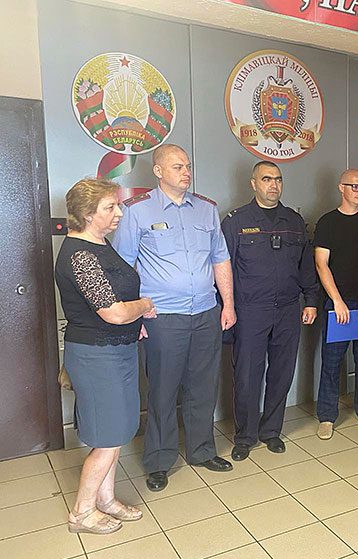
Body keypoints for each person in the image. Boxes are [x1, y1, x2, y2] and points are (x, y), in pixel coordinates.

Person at [113, 144, 236, 492]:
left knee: (203, 387)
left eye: (188, 166)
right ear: (158, 171)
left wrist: (228, 304)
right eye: (177, 166)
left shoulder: (207, 210)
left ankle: (201, 450)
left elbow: (220, 259)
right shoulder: (137, 211)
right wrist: (135, 314)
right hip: (163, 317)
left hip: (206, 312)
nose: (186, 172)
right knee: (163, 391)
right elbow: (123, 267)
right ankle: (159, 460)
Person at [56, 178, 156, 534]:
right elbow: (112, 312)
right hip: (97, 355)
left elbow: (117, 303)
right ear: (87, 214)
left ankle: (106, 499)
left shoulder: (99, 243)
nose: (119, 212)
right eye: (110, 207)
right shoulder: (81, 256)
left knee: (116, 432)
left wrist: (134, 321)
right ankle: (82, 513)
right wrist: (144, 306)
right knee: (108, 438)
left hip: (118, 350)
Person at [221, 161, 319, 459]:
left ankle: (271, 431)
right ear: (254, 183)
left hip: (288, 309)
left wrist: (311, 300)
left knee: (281, 374)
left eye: (278, 179)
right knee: (247, 376)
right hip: (251, 310)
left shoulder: (294, 221)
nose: (273, 185)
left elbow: (306, 266)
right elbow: (222, 269)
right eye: (266, 179)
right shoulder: (236, 221)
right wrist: (226, 307)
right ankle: (245, 436)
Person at [314, 169, 358, 440]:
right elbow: (321, 264)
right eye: (354, 186)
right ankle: (327, 416)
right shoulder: (327, 223)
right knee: (332, 363)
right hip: (338, 307)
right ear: (340, 188)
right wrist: (337, 301)